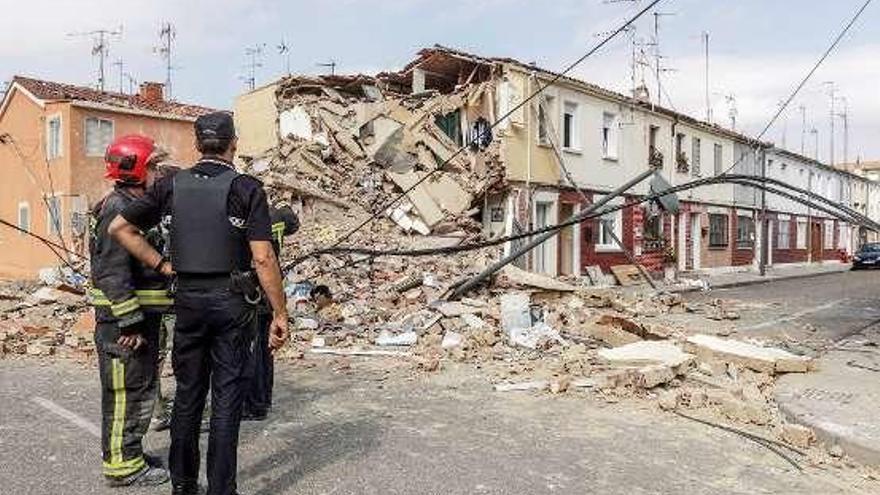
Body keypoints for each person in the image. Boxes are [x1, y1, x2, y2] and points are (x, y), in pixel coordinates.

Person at [109, 111, 289, 495]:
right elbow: (263, 257)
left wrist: (161, 263)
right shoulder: (247, 188)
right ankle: (221, 489)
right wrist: (279, 312)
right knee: (226, 399)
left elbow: (119, 228)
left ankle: (183, 485)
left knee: (189, 394)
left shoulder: (172, 185)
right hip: (232, 303)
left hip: (187, 301)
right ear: (233, 144)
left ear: (196, 145)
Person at [89, 134, 173, 487]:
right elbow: (111, 272)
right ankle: (123, 467)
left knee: (140, 389)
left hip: (140, 319)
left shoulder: (134, 204)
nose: (158, 171)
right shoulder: (115, 209)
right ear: (136, 169)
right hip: (123, 324)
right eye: (153, 165)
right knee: (125, 393)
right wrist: (130, 322)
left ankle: (131, 452)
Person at [242, 204, 299, 421]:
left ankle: (253, 405)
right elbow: (293, 223)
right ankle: (263, 399)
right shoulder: (277, 215)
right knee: (266, 350)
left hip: (254, 292)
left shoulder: (251, 217)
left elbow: (259, 258)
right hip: (271, 291)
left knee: (252, 351)